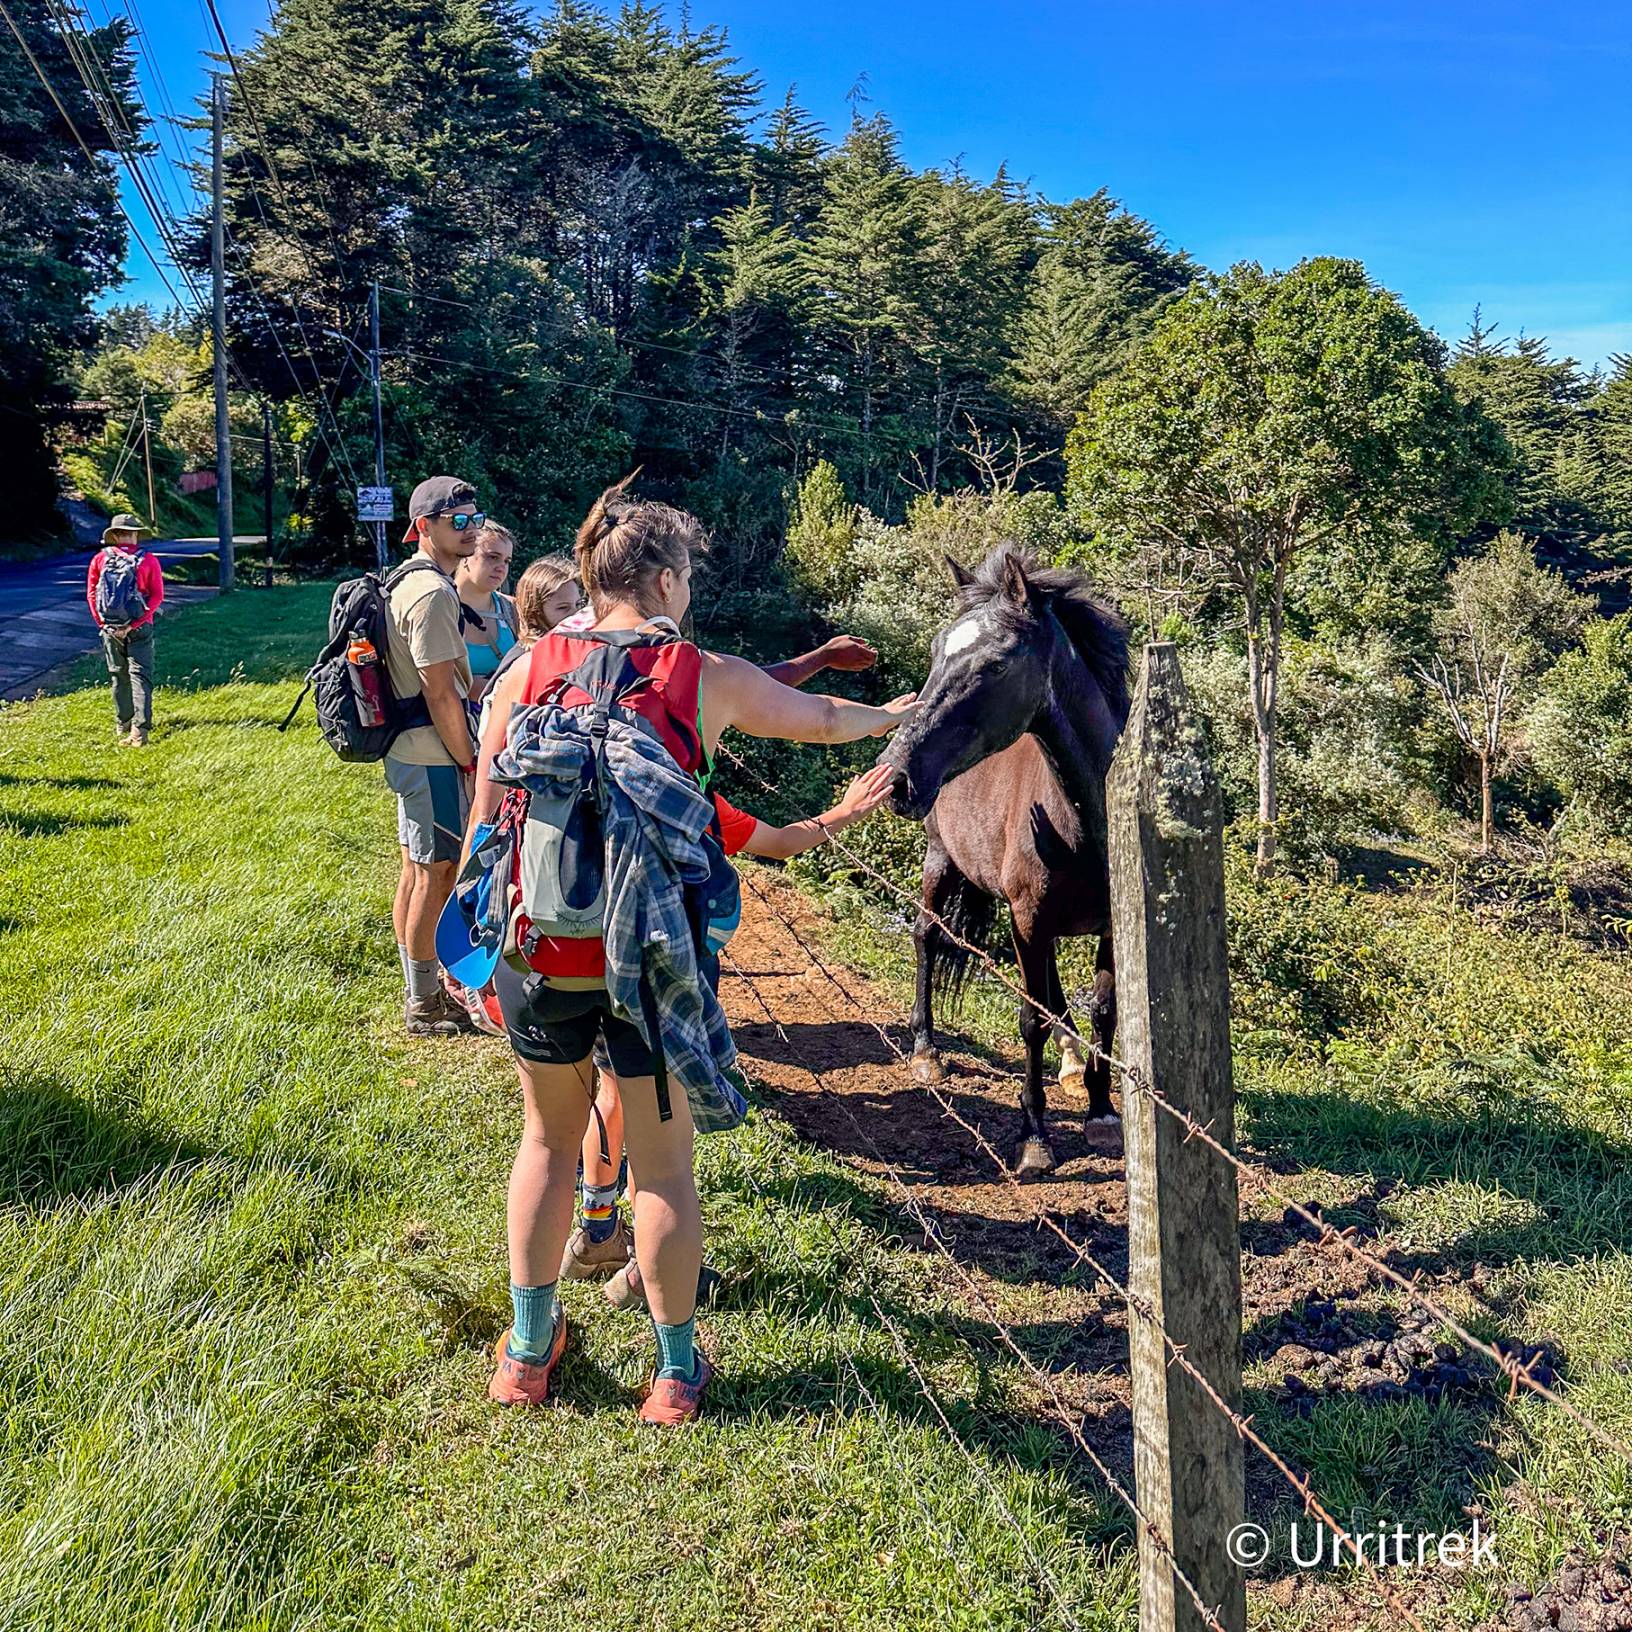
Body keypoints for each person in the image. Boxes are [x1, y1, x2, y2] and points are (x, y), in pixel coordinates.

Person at [470, 480, 915, 1425]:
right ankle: (673, 1372)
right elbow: (829, 720)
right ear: (666, 579)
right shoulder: (699, 674)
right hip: (651, 959)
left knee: (546, 1141)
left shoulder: (525, 666)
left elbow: (489, 817)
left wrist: (475, 955)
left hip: (539, 944)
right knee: (663, 1168)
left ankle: (525, 1351)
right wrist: (899, 717)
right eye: (688, 576)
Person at [572, 758, 899, 1314]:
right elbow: (781, 843)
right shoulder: (694, 801)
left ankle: (595, 1233)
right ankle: (645, 1272)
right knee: (660, 1126)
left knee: (609, 1092)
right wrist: (845, 811)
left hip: (597, 961)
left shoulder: (588, 783)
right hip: (668, 978)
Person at [386, 476, 487, 1037]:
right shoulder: (431, 594)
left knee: (417, 870)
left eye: (474, 518)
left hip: (413, 749)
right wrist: (470, 760)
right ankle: (424, 1004)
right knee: (437, 874)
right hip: (432, 753)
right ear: (424, 527)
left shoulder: (409, 581)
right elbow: (440, 690)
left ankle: (417, 986)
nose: (470, 529)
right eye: (458, 521)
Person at [86, 513, 163, 746]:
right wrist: (136, 623)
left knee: (118, 675)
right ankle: (140, 732)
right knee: (140, 675)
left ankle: (123, 723)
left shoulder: (100, 559)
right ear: (135, 535)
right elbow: (158, 596)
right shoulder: (149, 560)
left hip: (110, 627)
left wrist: (104, 624)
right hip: (140, 626)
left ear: (115, 535)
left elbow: (92, 594)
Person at [454, 521, 519, 703]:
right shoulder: (442, 608)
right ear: (466, 556)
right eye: (492, 557)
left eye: (507, 561)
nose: (501, 567)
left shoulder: (512, 609)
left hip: (505, 721)